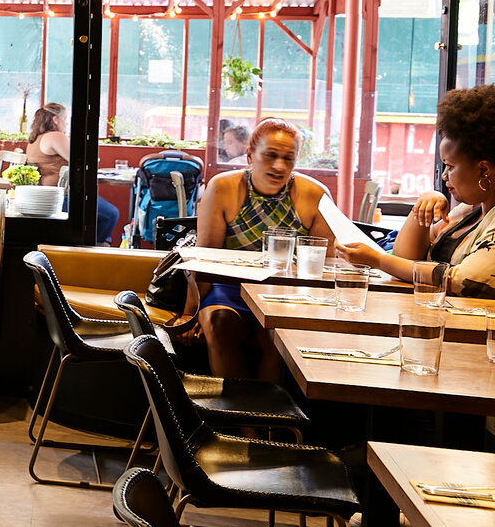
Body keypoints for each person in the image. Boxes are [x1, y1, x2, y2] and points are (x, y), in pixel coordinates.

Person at [180, 116, 336, 379]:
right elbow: (204, 257)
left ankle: (262, 418)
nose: (279, 166)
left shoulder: (315, 195)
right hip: (229, 289)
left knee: (279, 342)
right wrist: (188, 313)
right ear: (250, 155)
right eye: (271, 155)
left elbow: (326, 264)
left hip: (287, 296)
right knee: (219, 327)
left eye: (289, 158)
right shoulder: (223, 187)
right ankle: (240, 418)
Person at [340, 85, 495, 297]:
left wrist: (377, 260)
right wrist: (424, 204)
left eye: (450, 166)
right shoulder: (469, 211)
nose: (444, 176)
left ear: (484, 169)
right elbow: (406, 256)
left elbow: (460, 279)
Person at [23, 103, 118, 244]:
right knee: (111, 214)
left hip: (44, 196)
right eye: (65, 119)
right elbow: (86, 161)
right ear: (55, 119)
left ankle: (94, 244)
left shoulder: (36, 138)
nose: (66, 123)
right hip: (60, 198)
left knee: (104, 214)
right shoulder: (55, 136)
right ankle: (92, 249)